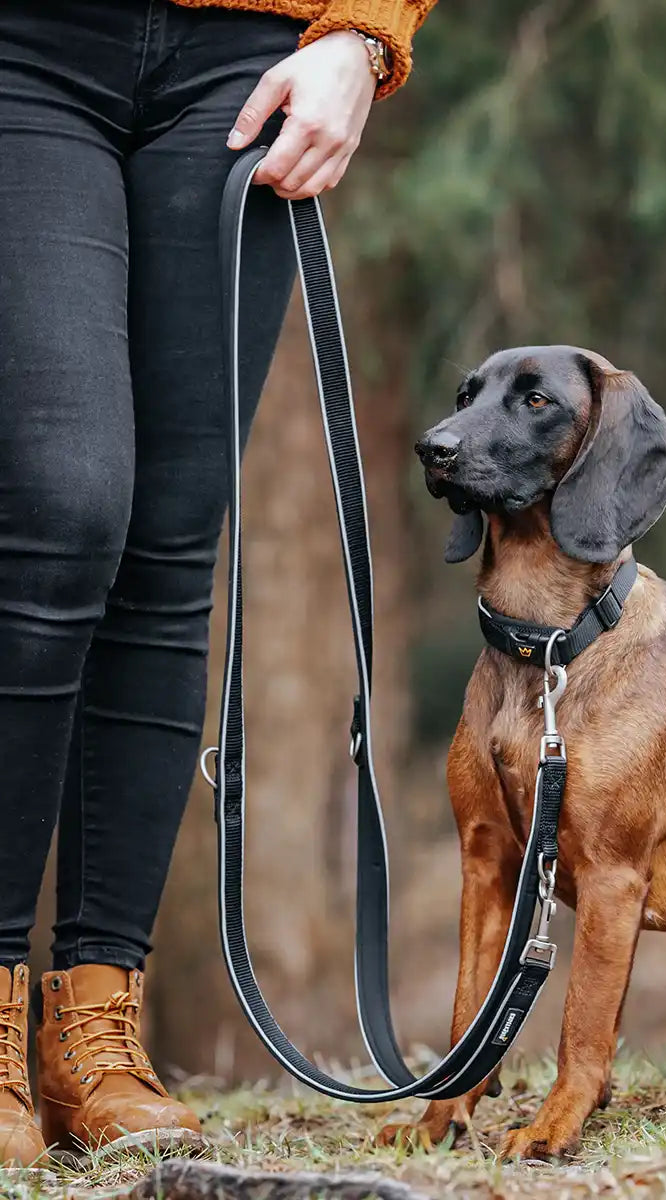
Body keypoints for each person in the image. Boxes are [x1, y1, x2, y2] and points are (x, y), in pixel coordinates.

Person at [0, 0, 435, 1170]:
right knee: (60, 504)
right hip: (26, 51)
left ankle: (93, 1031)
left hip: (249, 57)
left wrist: (364, 37)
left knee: (170, 531)